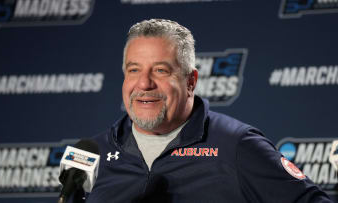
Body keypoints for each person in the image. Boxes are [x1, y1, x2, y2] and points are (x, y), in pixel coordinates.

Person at [85, 19, 332, 202]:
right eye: (134, 70)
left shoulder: (237, 146)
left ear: (190, 81)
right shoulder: (85, 154)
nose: (144, 83)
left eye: (160, 70)